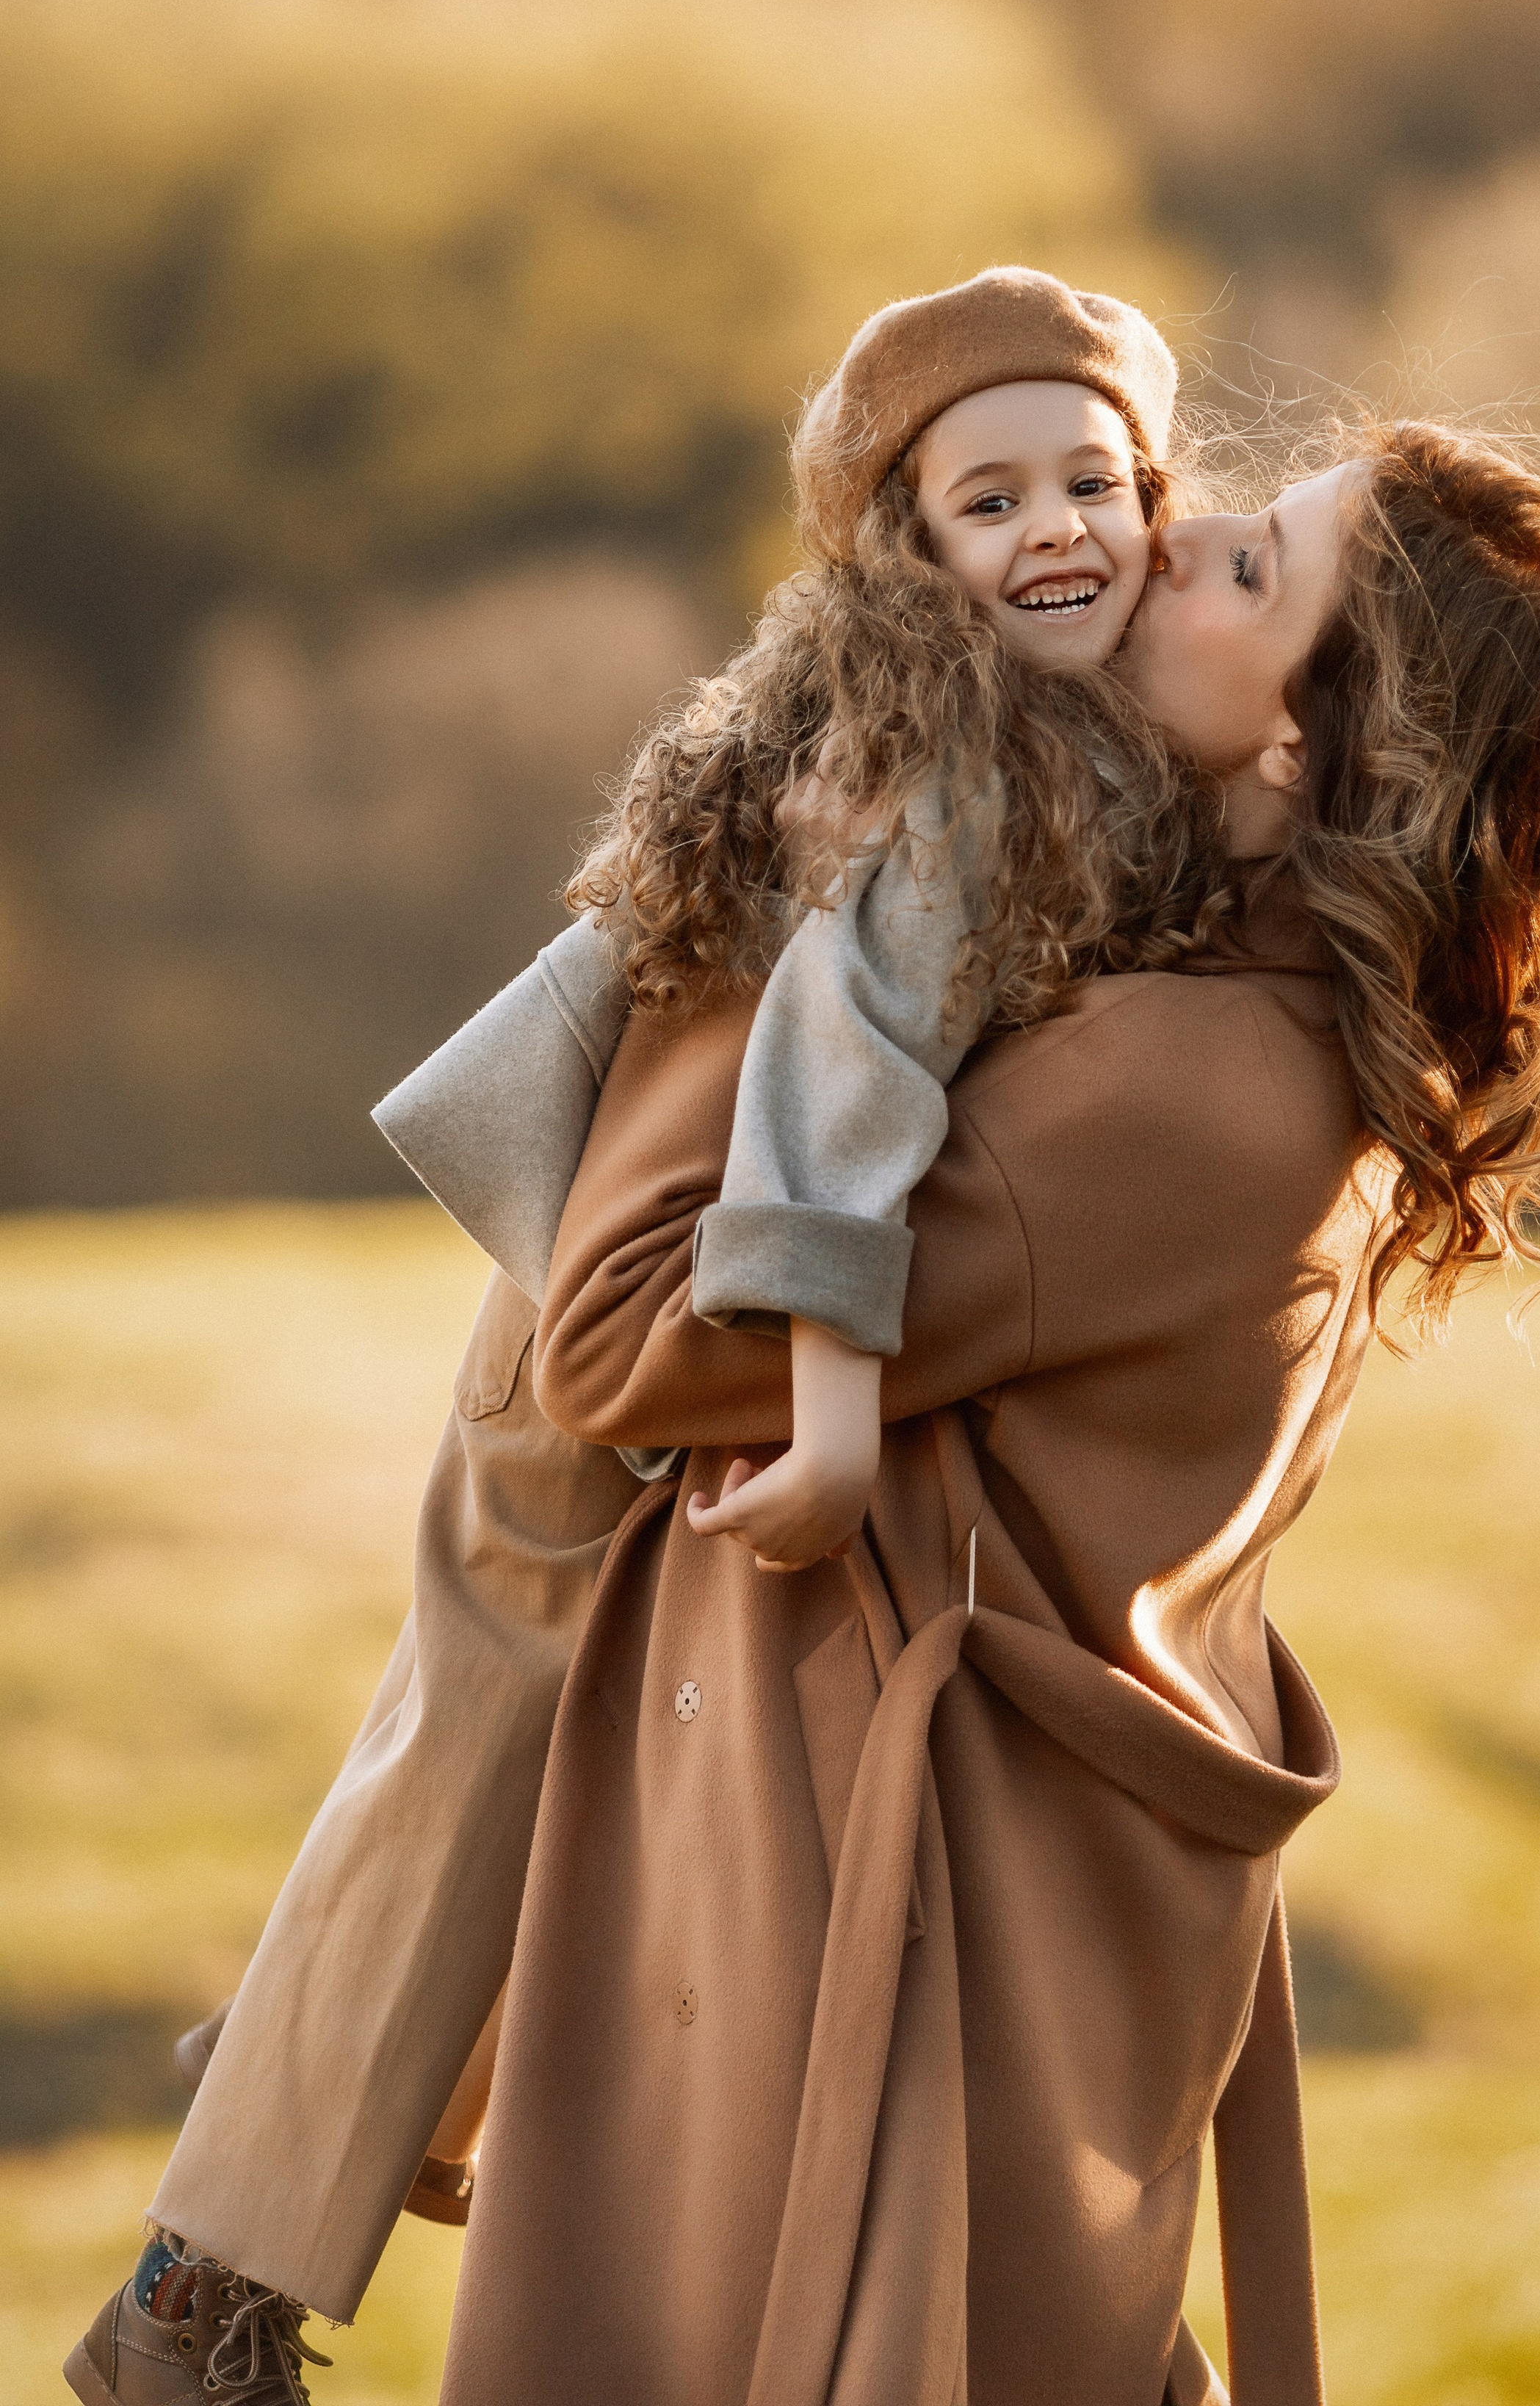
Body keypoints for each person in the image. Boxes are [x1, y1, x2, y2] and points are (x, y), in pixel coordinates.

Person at [433, 427, 1540, 2405]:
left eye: (1253, 570)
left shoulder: (1181, 1088)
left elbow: (619, 1339)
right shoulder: (1223, 1010)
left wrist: (775, 908)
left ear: (1305, 753)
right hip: (930, 1944)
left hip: (889, 1975)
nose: (1175, 536)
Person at [66, 268, 1241, 2404]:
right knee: (474, 1751)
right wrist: (836, 1403)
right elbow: (835, 1081)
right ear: (910, 547)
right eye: (990, 502)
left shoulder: (976, 720)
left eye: (1096, 482)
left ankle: (243, 2212)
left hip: (609, 1268)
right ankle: (193, 2307)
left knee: (498, 1766)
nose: (1056, 530)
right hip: (608, 1306)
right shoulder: (952, 754)